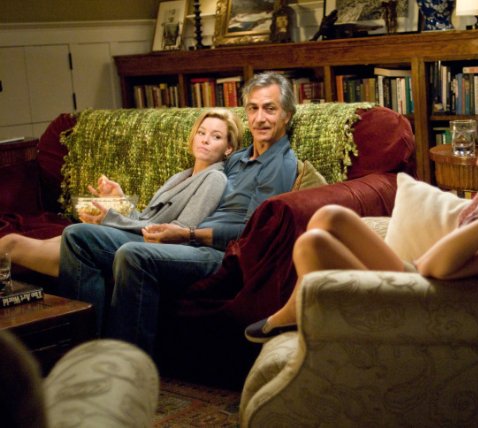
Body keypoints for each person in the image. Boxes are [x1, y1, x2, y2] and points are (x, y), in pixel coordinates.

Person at [245, 87, 478, 343]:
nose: (477, 161)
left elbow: (433, 268)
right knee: (330, 216)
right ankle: (297, 310)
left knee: (311, 246)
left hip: (424, 299)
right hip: (417, 276)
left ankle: (314, 323)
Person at [57, 72, 299, 355]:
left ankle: (127, 364)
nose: (260, 118)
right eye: (253, 108)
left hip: (219, 255)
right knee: (77, 236)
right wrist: (123, 205)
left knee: (134, 255)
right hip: (188, 241)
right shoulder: (237, 159)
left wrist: (188, 233)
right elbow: (186, 197)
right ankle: (82, 354)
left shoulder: (279, 165)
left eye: (270, 109)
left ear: (287, 115)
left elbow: (252, 233)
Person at [0, 108, 241, 278]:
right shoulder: (181, 176)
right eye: (202, 132)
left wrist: (110, 219)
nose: (205, 140)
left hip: (155, 246)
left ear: (228, 148)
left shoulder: (215, 179)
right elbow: (145, 219)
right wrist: (120, 201)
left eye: (216, 136)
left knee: (20, 242)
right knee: (23, 241)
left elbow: (177, 231)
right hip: (138, 235)